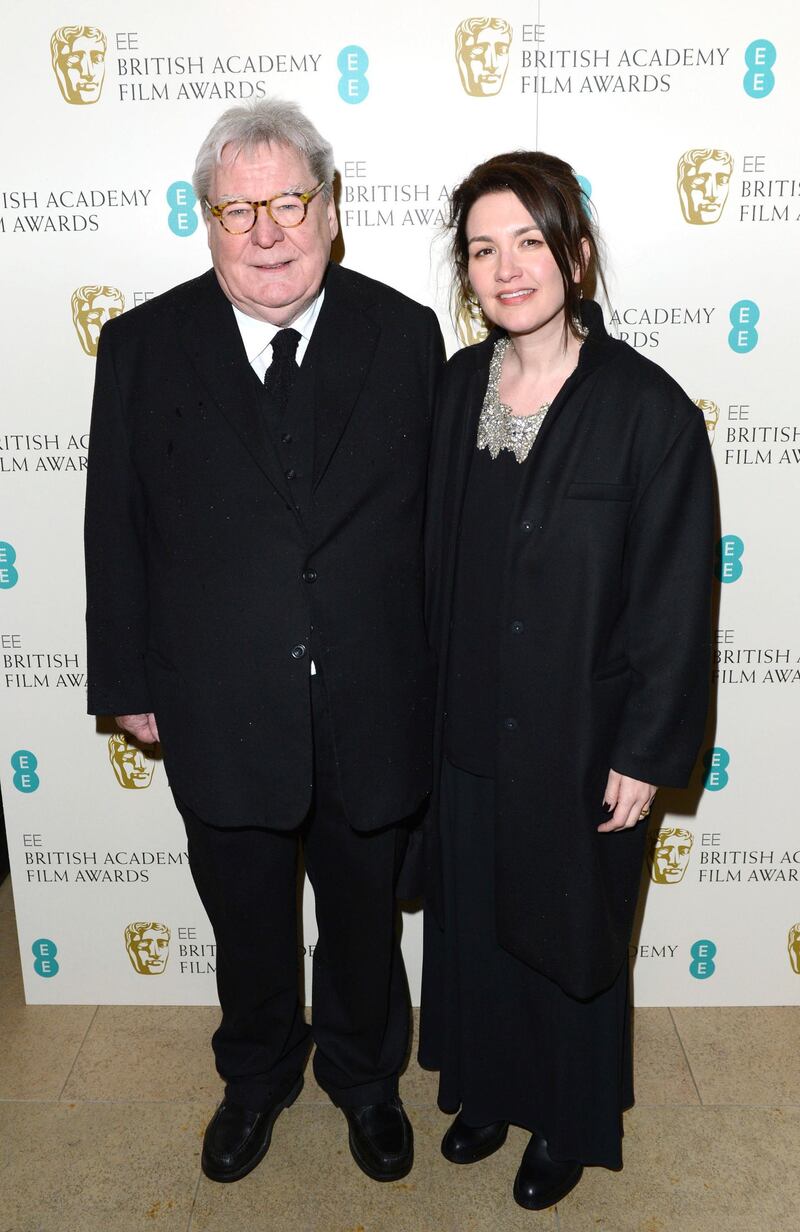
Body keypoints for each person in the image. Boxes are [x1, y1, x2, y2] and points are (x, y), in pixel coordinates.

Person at [84, 97, 444, 1185]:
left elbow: (433, 530)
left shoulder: (403, 332)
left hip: (372, 693)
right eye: (239, 209)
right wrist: (127, 678)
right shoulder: (142, 343)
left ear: (331, 209)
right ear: (205, 220)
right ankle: (254, 1076)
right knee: (243, 919)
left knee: (361, 919)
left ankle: (365, 1076)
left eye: (290, 201)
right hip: (217, 700)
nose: (268, 231)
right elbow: (116, 524)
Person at [419, 151, 714, 1210]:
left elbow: (677, 598)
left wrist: (646, 750)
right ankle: (488, 1090)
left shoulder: (647, 412)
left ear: (575, 256)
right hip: (463, 727)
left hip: (578, 734)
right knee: (476, 917)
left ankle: (563, 1118)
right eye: (482, 249)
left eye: (529, 243)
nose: (506, 269)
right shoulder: (453, 390)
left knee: (563, 931)